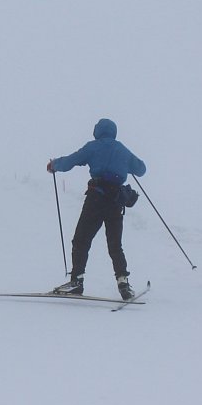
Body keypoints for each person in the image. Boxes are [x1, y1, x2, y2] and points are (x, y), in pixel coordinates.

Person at [46, 118, 146, 299]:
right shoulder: (122, 149)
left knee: (81, 240)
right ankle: (123, 283)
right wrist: (124, 164)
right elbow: (141, 169)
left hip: (96, 199)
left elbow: (71, 160)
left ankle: (77, 282)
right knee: (115, 244)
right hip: (116, 201)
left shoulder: (93, 147)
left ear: (97, 131)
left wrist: (54, 165)